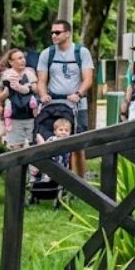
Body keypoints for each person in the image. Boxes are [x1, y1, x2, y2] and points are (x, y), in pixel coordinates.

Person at [36, 19, 94, 177]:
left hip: (77, 105)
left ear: (67, 33)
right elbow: (41, 80)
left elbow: (88, 79)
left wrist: (78, 94)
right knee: (50, 140)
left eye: (58, 32)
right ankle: (53, 178)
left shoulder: (81, 52)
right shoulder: (47, 54)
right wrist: (43, 95)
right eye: (52, 33)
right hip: (54, 106)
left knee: (78, 144)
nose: (54, 35)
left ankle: (81, 181)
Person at [0, 48, 39, 149]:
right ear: (11, 62)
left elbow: (37, 90)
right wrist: (7, 92)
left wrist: (26, 87)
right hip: (14, 117)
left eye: (23, 58)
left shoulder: (30, 72)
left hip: (30, 116)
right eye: (19, 58)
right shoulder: (6, 75)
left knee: (31, 146)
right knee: (16, 148)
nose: (23, 60)